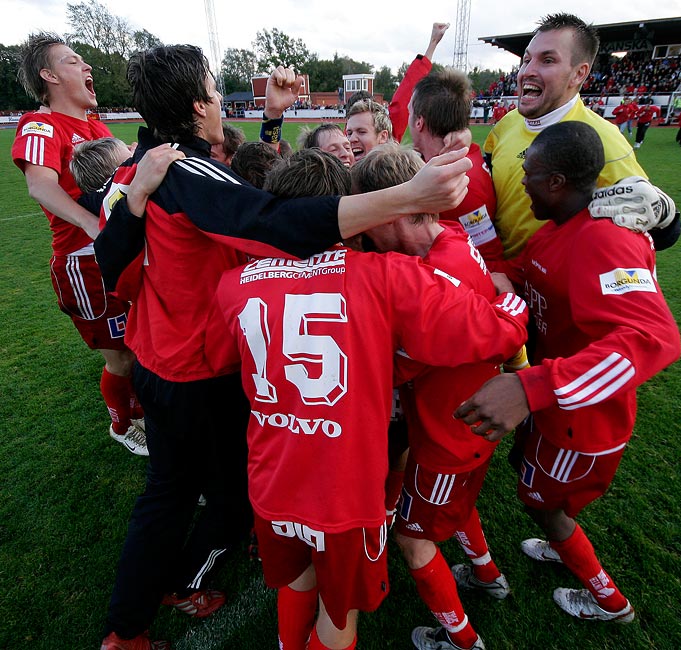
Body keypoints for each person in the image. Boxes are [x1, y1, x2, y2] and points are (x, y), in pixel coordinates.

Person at [95, 44, 472, 650]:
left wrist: (137, 199)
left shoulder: (137, 171)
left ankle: (126, 627)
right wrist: (406, 197)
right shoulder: (184, 173)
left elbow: (111, 258)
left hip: (154, 361)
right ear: (198, 105)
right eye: (216, 93)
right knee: (229, 499)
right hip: (201, 369)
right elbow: (269, 216)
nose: (221, 102)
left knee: (166, 491)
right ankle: (185, 585)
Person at [203, 147, 529, 650]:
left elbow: (220, 357)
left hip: (272, 480)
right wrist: (509, 305)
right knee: (341, 616)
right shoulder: (384, 276)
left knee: (297, 581)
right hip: (345, 495)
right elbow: (486, 330)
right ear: (349, 213)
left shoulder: (232, 284)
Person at [455, 120, 681, 624]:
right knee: (534, 486)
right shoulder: (559, 229)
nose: (521, 183)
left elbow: (653, 338)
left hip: (584, 422)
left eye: (528, 173)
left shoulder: (605, 241)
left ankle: (610, 602)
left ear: (555, 182)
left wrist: (530, 385)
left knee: (541, 506)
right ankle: (563, 539)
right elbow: (527, 274)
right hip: (560, 412)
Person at [352, 143, 513, 650]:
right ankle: (487, 575)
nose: (359, 229)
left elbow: (386, 366)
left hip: (448, 438)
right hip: (470, 428)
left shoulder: (426, 286)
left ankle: (463, 640)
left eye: (367, 213)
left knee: (412, 537)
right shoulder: (455, 236)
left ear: (394, 210)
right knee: (461, 505)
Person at [11, 32, 147, 456]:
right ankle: (123, 425)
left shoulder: (95, 126)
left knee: (139, 344)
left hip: (117, 253)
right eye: (73, 61)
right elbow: (39, 185)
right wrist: (95, 225)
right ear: (48, 75)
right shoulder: (40, 124)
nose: (87, 67)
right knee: (120, 357)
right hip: (84, 263)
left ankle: (141, 411)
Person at [483, 13, 680, 260]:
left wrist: (666, 215)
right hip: (496, 279)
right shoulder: (506, 124)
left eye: (547, 61)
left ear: (579, 74)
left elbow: (653, 227)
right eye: (526, 60)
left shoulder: (602, 139)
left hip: (552, 288)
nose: (527, 71)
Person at [406, 68, 504, 266]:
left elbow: (487, 260)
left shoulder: (463, 181)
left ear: (419, 122)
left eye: (410, 112)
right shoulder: (461, 156)